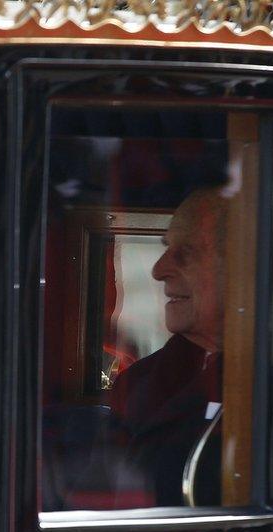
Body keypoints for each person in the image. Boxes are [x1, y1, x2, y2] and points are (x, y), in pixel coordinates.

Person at [107, 186, 228, 507]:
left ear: (246, 266)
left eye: (185, 253)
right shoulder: (135, 384)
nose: (158, 270)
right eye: (166, 249)